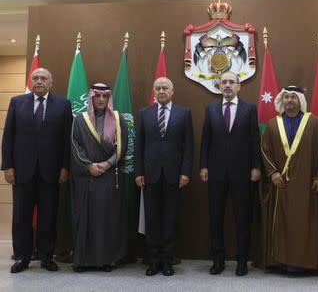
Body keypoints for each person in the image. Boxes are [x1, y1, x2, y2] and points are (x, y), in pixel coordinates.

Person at [1, 68, 72, 273]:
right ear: (31, 81)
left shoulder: (63, 105)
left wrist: (65, 167)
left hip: (51, 172)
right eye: (35, 78)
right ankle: (22, 257)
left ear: (51, 83)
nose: (39, 81)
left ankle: (47, 256)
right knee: (21, 217)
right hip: (22, 171)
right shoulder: (17, 102)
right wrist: (8, 166)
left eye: (43, 78)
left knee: (48, 217)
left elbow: (66, 141)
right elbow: (8, 138)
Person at [260, 86, 318, 273]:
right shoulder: (273, 124)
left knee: (304, 222)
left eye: (293, 98)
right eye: (286, 97)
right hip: (280, 183)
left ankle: (303, 263)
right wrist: (272, 173)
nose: (290, 101)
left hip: (306, 183)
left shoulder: (314, 123)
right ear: (282, 100)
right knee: (282, 221)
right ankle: (280, 261)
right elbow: (264, 150)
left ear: (300, 101)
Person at [200, 71, 261, 276]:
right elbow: (205, 140)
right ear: (219, 86)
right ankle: (218, 260)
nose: (227, 85)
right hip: (216, 172)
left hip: (243, 172)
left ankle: (242, 260)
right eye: (224, 82)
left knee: (242, 217)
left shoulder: (249, 109)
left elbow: (254, 139)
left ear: (238, 87)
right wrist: (204, 166)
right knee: (215, 217)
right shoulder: (210, 109)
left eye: (231, 82)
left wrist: (256, 167)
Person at [135, 77, 194, 276]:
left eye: (165, 88)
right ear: (154, 91)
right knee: (152, 219)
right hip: (149, 175)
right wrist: (139, 172)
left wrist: (186, 172)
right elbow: (139, 145)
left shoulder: (184, 113)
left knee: (169, 219)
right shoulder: (144, 113)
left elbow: (189, 146)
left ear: (172, 91)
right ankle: (153, 260)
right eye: (158, 88)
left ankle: (167, 260)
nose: (161, 91)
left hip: (174, 175)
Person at [70, 83, 128, 272]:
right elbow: (75, 145)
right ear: (92, 98)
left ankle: (106, 260)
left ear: (109, 98)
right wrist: (88, 165)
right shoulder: (80, 119)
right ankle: (83, 261)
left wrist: (108, 163)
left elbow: (122, 146)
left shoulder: (118, 119)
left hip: (109, 176)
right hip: (86, 176)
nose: (101, 99)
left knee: (106, 219)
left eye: (105, 96)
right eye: (97, 96)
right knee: (85, 218)